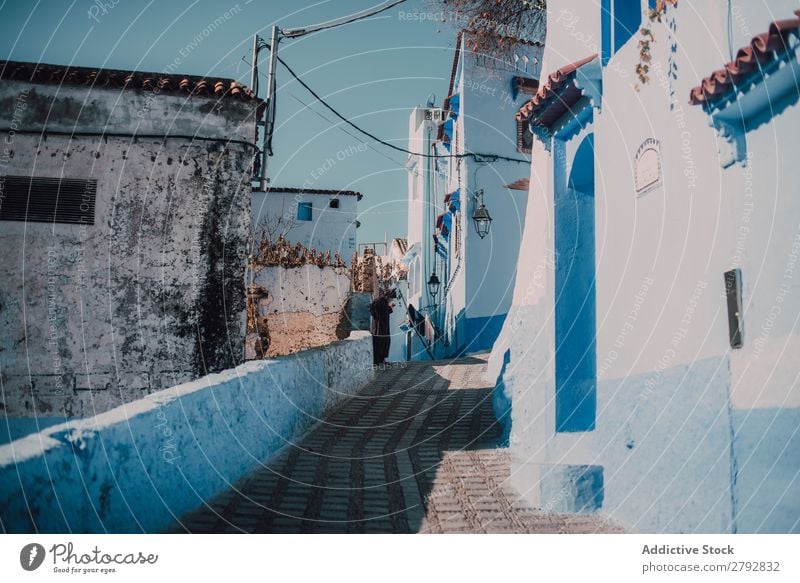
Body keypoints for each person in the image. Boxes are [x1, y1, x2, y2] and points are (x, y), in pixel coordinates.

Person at [369, 289, 396, 365]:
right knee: (378, 343)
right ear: (388, 296)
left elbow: (385, 312)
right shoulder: (378, 302)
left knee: (385, 343)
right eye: (391, 298)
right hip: (378, 327)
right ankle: (376, 361)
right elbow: (373, 309)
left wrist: (390, 308)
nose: (391, 300)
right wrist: (377, 317)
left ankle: (381, 359)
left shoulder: (384, 303)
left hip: (384, 327)